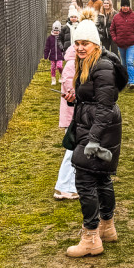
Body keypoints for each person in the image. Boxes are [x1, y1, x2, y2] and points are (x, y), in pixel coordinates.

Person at [66, 20, 128, 257]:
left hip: (98, 131)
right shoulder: (88, 65)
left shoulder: (101, 66)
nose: (81, 48)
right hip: (96, 128)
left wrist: (92, 139)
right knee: (101, 178)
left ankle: (91, 237)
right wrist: (75, 98)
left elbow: (105, 106)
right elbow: (93, 99)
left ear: (96, 44)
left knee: (84, 181)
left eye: (86, 43)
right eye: (78, 43)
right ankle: (107, 227)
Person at [54, 45, 79, 200]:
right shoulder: (71, 65)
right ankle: (64, 187)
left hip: (76, 114)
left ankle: (70, 185)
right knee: (72, 151)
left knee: (75, 150)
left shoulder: (75, 64)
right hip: (72, 115)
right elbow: (72, 90)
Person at [109, 0, 134, 90]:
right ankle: (125, 81)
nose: (125, 8)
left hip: (131, 44)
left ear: (129, 6)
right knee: (124, 64)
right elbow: (112, 29)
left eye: (127, 6)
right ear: (121, 6)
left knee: (130, 62)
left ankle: (131, 82)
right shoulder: (116, 17)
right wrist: (116, 39)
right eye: (123, 6)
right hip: (121, 44)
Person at [44, 20, 64, 85]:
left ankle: (61, 76)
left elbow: (64, 46)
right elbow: (47, 47)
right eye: (55, 30)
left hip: (60, 56)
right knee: (53, 67)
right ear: (52, 30)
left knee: (59, 66)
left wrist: (64, 53)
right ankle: (53, 79)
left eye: (57, 30)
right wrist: (46, 55)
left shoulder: (61, 38)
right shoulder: (50, 38)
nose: (56, 32)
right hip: (52, 56)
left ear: (60, 31)